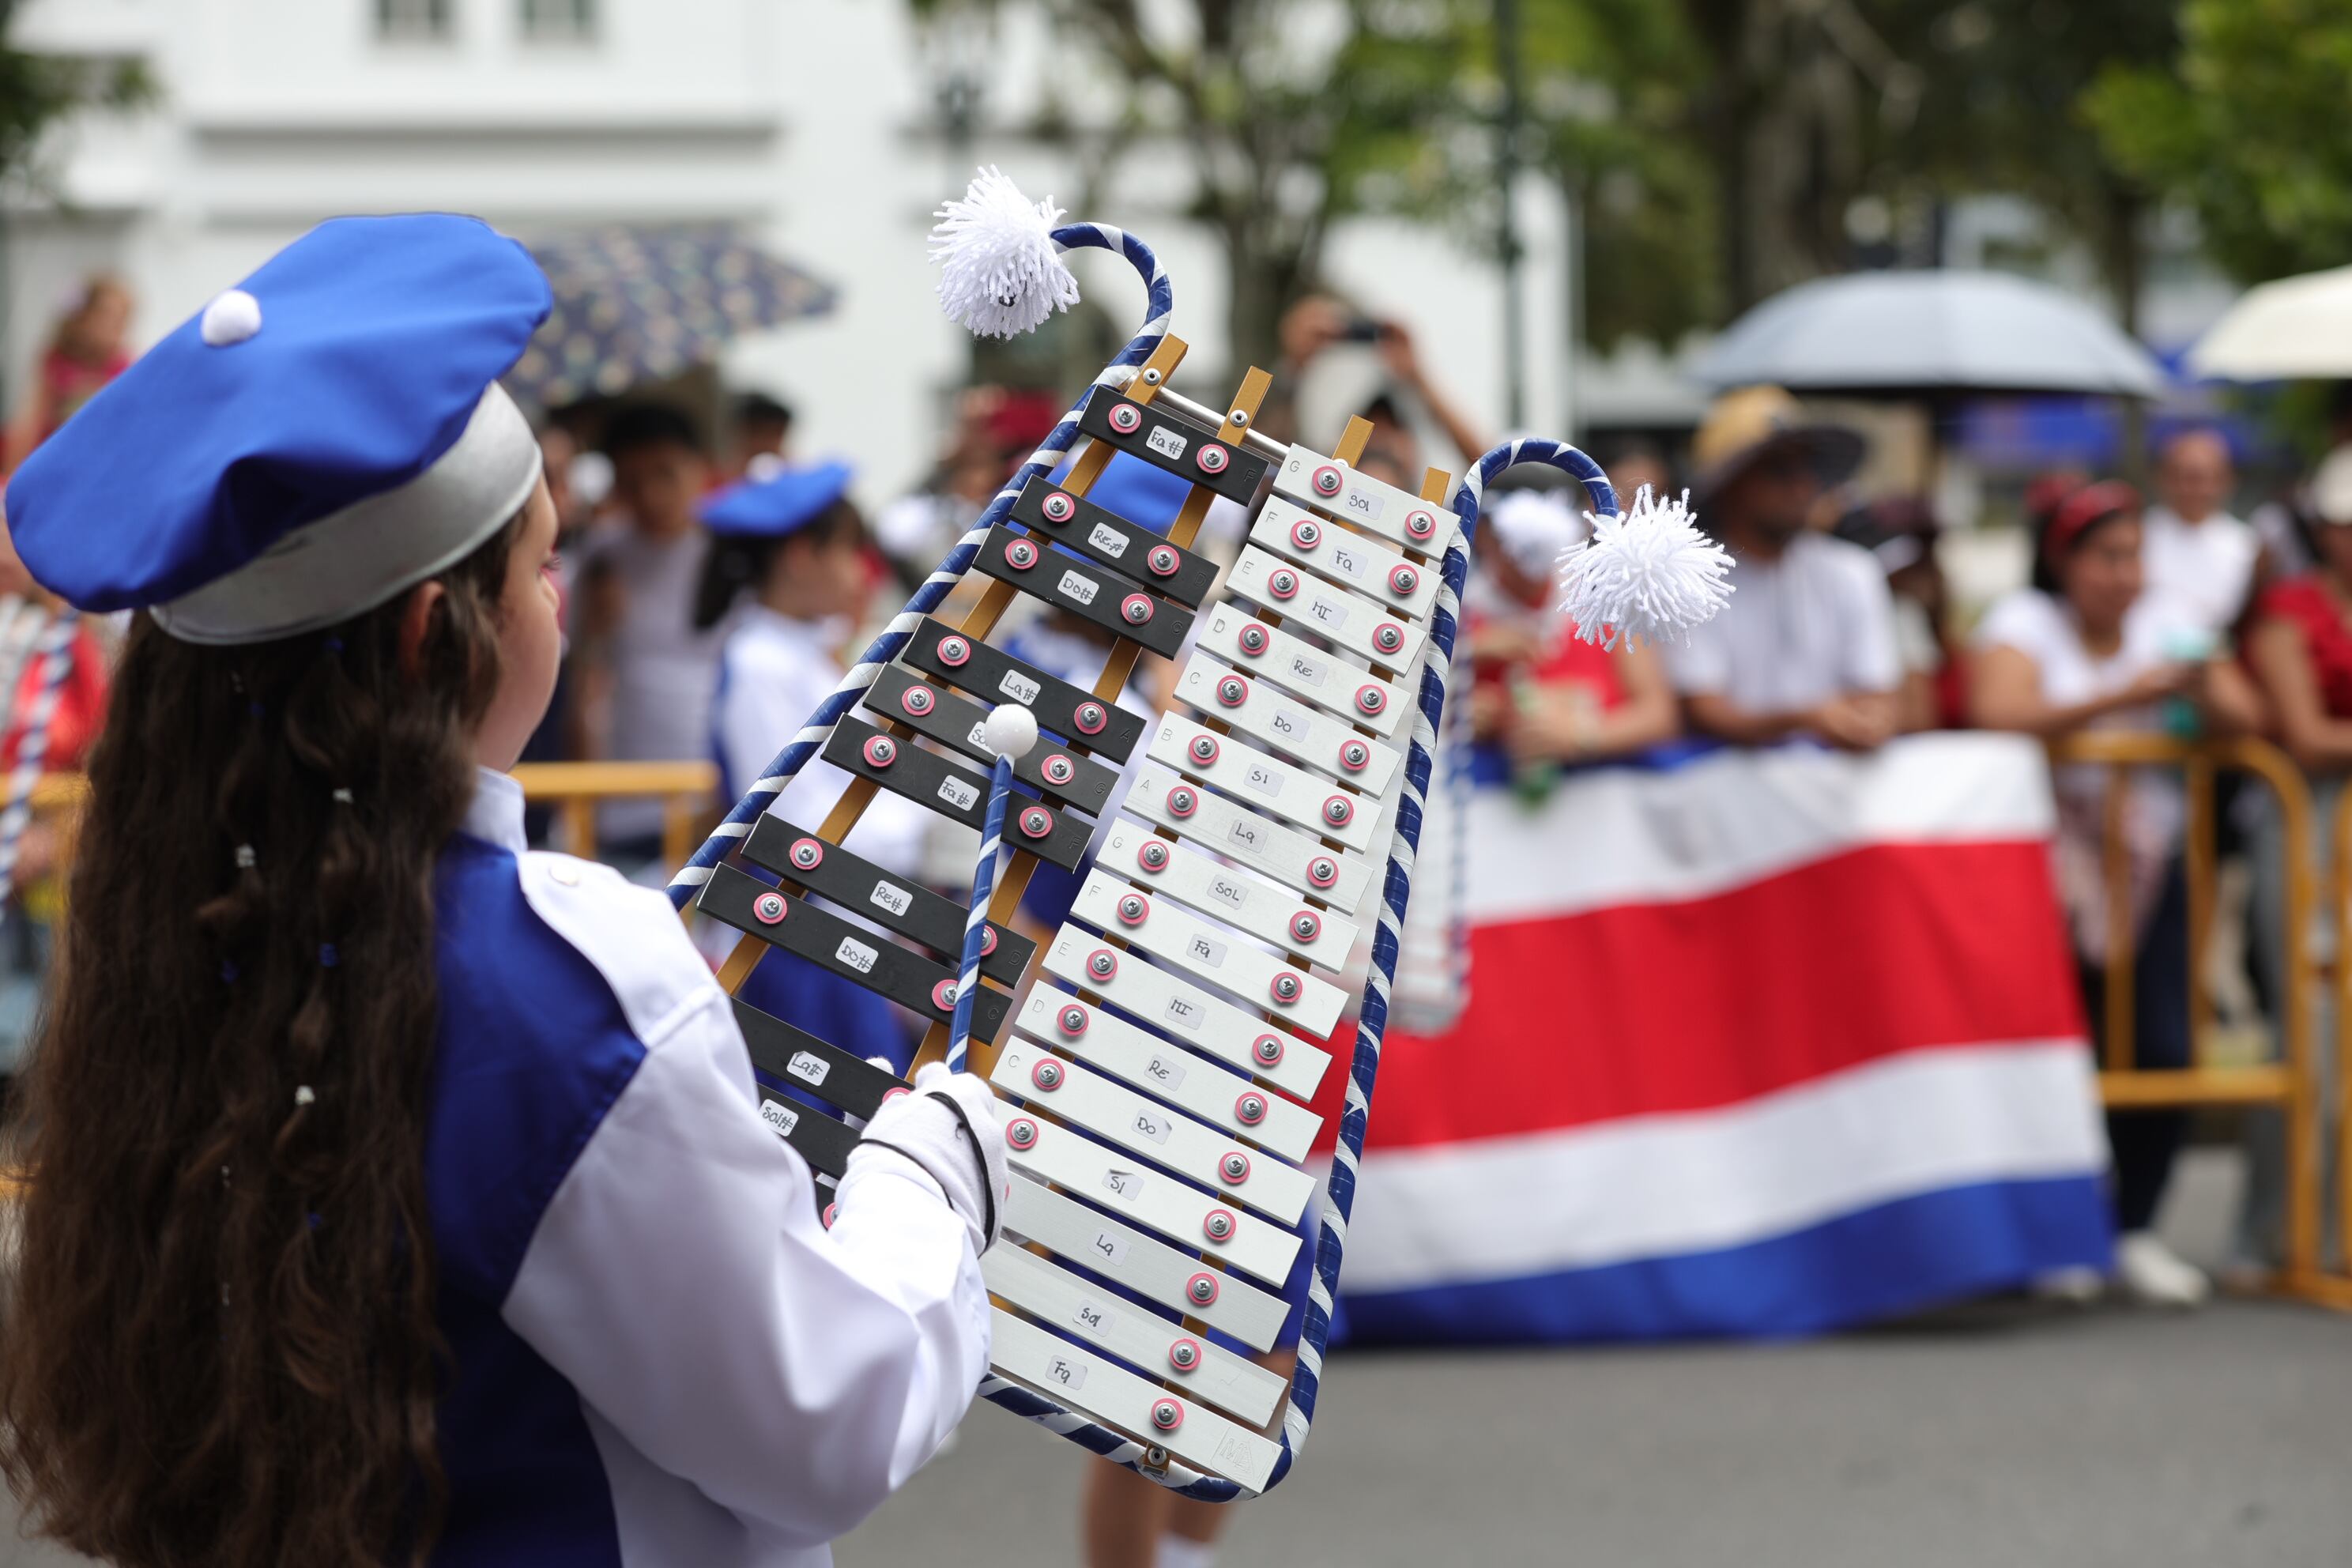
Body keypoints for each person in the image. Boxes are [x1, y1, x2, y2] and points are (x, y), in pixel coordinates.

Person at [0, 214, 1001, 1567]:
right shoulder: (553, 972)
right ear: (436, 631)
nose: (561, 599)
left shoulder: (173, 934)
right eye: (539, 564)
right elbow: (824, 1414)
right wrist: (933, 1161)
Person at [1969, 478, 2263, 1306]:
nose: (2126, 574)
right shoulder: (2023, 624)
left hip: (2150, 864)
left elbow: (2248, 718)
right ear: (2065, 561)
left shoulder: (2173, 624)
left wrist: (2206, 692)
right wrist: (2123, 698)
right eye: (2108, 556)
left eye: (2136, 555)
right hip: (2046, 868)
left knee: (2163, 1045)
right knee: (2058, 1050)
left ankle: (2134, 1224)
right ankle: (2056, 1232)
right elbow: (1998, 710)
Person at [698, 458, 928, 1069]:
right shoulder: (759, 664)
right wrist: (921, 816)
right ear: (801, 556)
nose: (862, 572)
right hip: (800, 942)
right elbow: (802, 828)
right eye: (850, 550)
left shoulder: (799, 654)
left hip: (838, 929)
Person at [2232, 443, 2352, 1272]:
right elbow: (2307, 739)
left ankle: (2336, 1236)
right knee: (2307, 1034)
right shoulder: (2288, 608)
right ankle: (2269, 1231)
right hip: (2304, 822)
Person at [1664, 386, 1900, 750]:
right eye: (1778, 469)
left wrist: (1871, 722)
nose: (1802, 485)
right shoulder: (1689, 580)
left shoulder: (1852, 570)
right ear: (1731, 484)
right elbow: (1704, 707)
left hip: (1834, 790)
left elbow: (1877, 693)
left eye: (1808, 468)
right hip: (1723, 795)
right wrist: (1807, 718)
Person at [571, 401, 726, 861]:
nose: (652, 496)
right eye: (632, 482)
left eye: (665, 474)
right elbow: (584, 681)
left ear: (700, 469)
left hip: (716, 796)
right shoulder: (602, 558)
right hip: (626, 798)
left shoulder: (732, 553)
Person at [1467, 484, 1679, 775]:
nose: (1525, 557)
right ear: (1483, 536)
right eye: (1511, 539)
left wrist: (1581, 736)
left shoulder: (1604, 600)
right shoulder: (1456, 615)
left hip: (1609, 797)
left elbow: (1659, 716)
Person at [1834, 496, 1966, 731]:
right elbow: (1917, 717)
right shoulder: (1899, 615)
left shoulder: (1929, 629)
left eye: (1929, 553)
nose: (1928, 573)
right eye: (1912, 565)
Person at [3, 273, 134, 472]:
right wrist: (11, 472)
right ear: (82, 319)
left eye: (123, 319)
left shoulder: (123, 365)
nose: (118, 328)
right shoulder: (57, 362)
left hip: (102, 460)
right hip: (57, 460)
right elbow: (32, 420)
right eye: (109, 318)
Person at [2142, 426, 2259, 639]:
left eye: (2200, 478)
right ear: (2161, 478)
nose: (2189, 488)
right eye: (2179, 476)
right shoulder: (2137, 535)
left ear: (2226, 481)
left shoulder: (2247, 546)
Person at [729, 390, 796, 478]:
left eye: (774, 434)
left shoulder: (797, 476)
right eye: (759, 433)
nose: (765, 443)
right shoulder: (723, 484)